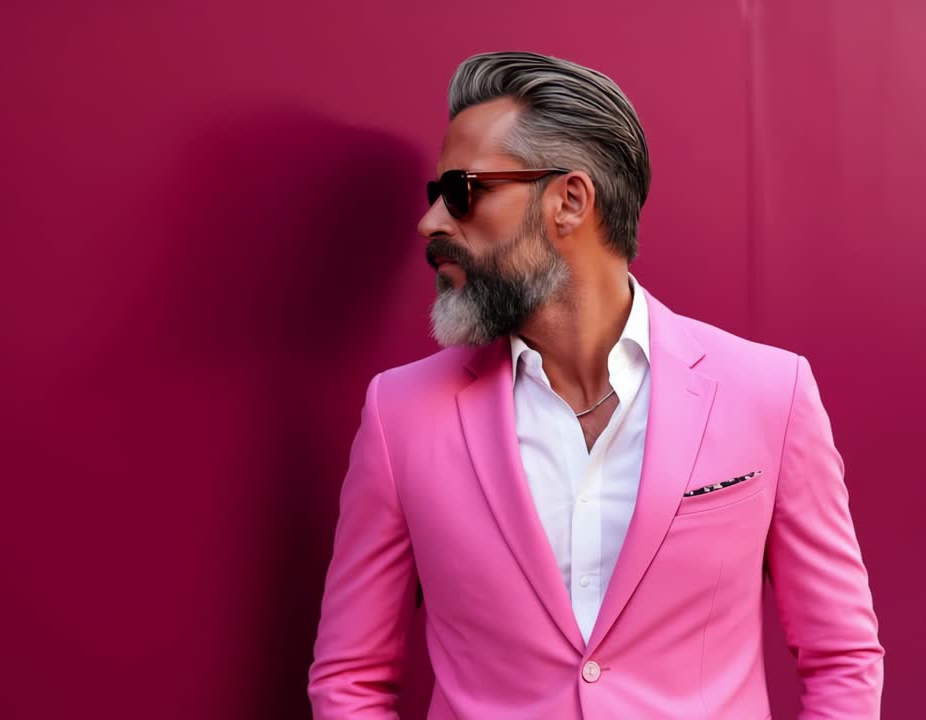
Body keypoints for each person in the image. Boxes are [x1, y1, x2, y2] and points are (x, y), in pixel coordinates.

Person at [308, 50, 884, 720]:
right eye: (435, 195)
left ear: (570, 201)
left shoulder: (769, 394)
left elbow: (842, 657)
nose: (432, 223)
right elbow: (350, 677)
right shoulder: (399, 414)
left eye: (462, 192)